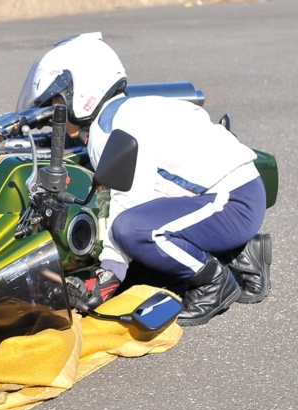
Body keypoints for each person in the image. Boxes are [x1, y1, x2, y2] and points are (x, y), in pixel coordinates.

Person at [21, 32, 271, 326]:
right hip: (242, 191)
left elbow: (128, 208)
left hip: (232, 203)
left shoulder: (109, 131)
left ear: (83, 90)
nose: (54, 112)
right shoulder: (128, 109)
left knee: (135, 232)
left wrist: (106, 280)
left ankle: (215, 282)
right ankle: (243, 256)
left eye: (57, 100)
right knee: (145, 247)